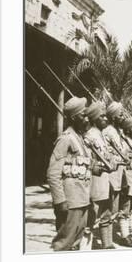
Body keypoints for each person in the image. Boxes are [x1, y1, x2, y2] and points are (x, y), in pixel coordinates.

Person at [46, 96, 95, 251]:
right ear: (74, 118)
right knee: (63, 243)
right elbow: (53, 173)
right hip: (70, 201)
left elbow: (82, 164)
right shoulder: (65, 140)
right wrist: (60, 201)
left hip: (82, 198)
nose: (87, 118)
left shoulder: (80, 139)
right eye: (83, 115)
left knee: (76, 242)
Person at [102, 101, 132, 247]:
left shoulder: (119, 132)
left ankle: (124, 235)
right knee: (109, 210)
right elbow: (104, 155)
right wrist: (121, 158)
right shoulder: (108, 132)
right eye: (120, 114)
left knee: (123, 206)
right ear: (113, 116)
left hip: (121, 176)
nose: (124, 117)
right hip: (111, 177)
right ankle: (106, 242)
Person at [84, 101, 117, 249]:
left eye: (105, 115)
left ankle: (107, 244)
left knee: (107, 215)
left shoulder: (101, 135)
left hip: (105, 182)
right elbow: (86, 161)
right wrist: (99, 167)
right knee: (91, 219)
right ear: (94, 118)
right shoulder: (89, 136)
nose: (105, 118)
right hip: (95, 182)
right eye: (101, 116)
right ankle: (85, 248)